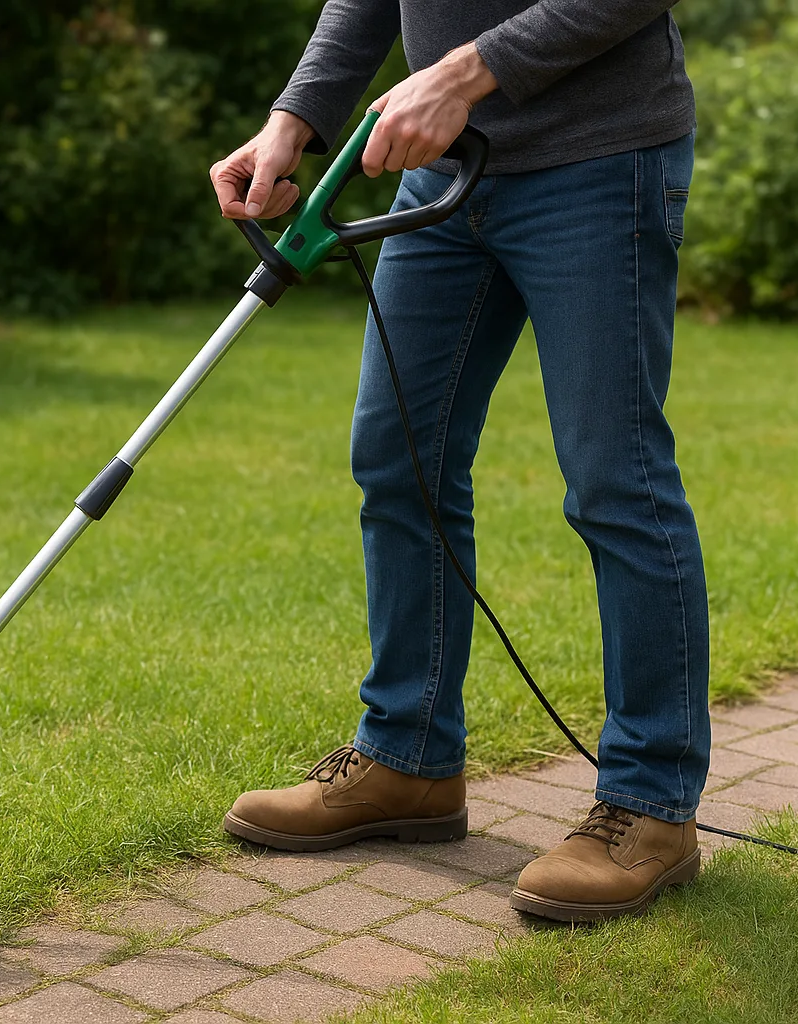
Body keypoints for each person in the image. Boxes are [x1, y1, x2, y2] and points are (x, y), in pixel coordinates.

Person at [209, 0, 710, 922]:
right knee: (399, 459)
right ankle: (409, 760)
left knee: (615, 480)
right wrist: (297, 117)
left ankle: (652, 806)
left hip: (599, 165)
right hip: (442, 180)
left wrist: (466, 69)